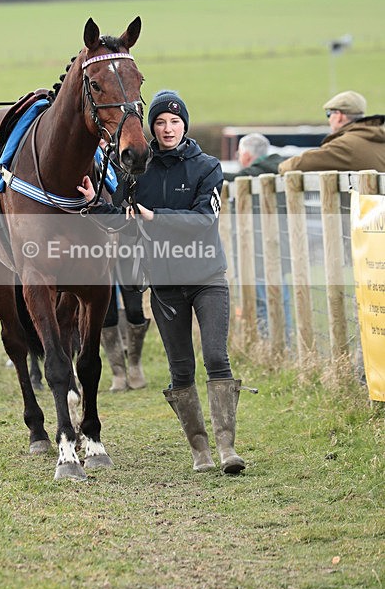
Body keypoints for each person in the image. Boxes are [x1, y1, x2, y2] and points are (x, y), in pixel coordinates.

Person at [78, 90, 250, 475]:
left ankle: (227, 448)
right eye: (160, 122)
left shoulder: (207, 167)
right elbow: (123, 219)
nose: (168, 128)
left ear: (184, 125)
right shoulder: (136, 171)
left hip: (207, 277)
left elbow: (204, 220)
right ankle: (200, 451)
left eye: (174, 121)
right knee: (181, 368)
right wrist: (95, 203)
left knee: (216, 356)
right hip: (165, 283)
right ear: (151, 128)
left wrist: (155, 218)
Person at [225, 134, 292, 342]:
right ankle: (286, 344)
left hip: (257, 250)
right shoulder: (282, 170)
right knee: (282, 302)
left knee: (261, 302)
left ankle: (267, 347)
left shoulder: (251, 176)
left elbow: (233, 180)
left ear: (245, 155)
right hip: (283, 249)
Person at [94, 142, 151, 392]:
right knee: (106, 313)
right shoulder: (88, 160)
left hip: (129, 242)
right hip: (98, 247)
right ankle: (118, 371)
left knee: (135, 309)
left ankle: (135, 364)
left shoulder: (128, 159)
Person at [278, 91, 385, 173]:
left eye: (329, 114)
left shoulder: (346, 145)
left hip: (368, 202)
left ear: (339, 116)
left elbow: (297, 165)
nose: (329, 119)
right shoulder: (378, 137)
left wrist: (280, 167)